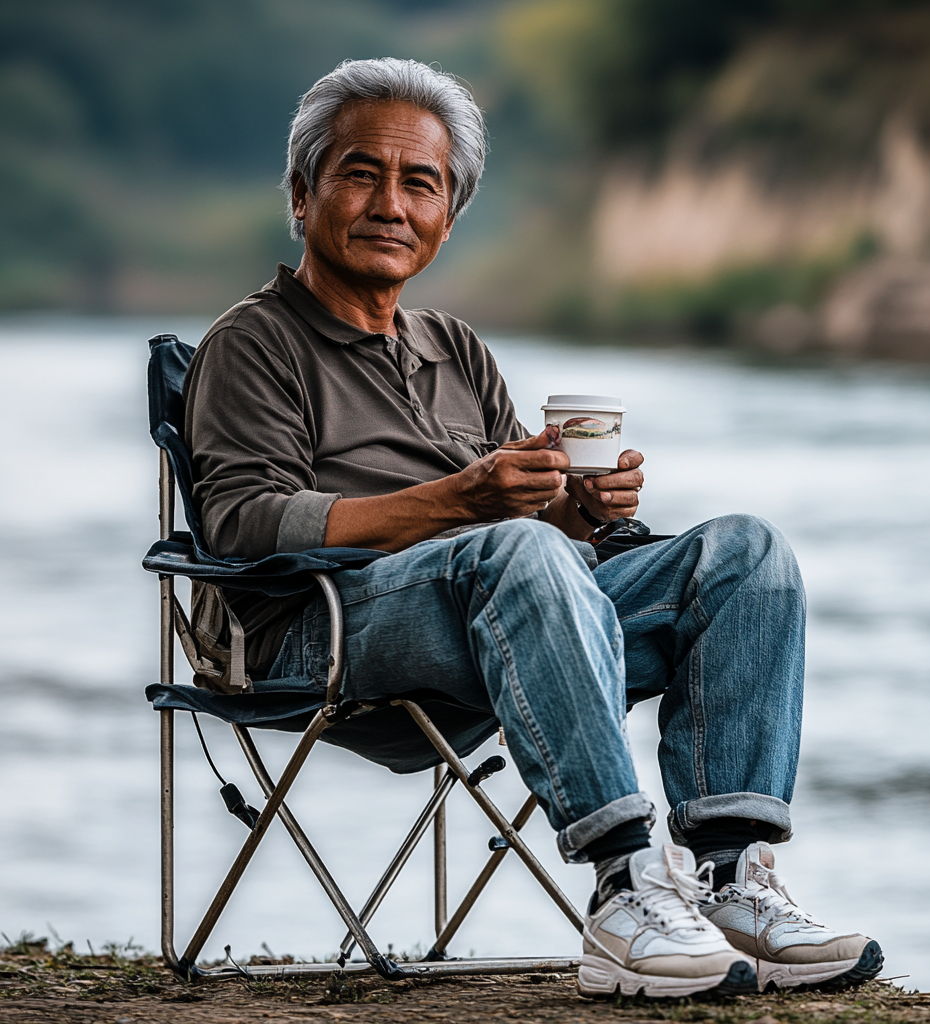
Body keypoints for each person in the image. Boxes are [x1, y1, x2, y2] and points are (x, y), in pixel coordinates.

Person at [183, 58, 882, 999]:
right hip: (323, 633)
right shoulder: (252, 343)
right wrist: (471, 506)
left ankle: (730, 876)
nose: (391, 203)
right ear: (303, 197)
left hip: (497, 621)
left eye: (420, 183)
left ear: (449, 215)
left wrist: (575, 510)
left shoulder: (453, 347)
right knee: (520, 552)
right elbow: (241, 526)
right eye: (360, 174)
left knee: (744, 553)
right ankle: (627, 890)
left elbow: (522, 531)